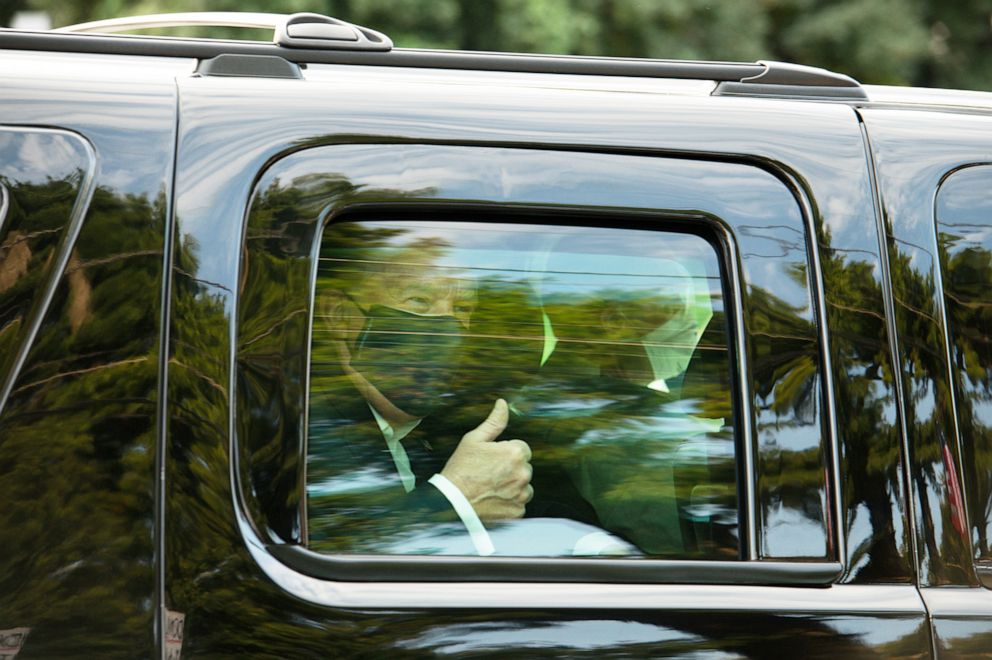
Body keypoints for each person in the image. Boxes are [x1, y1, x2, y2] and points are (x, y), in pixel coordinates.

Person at [306, 242, 534, 556]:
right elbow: (340, 555)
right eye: (419, 301)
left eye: (462, 310)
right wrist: (457, 499)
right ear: (341, 316)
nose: (448, 329)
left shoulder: (423, 433)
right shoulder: (304, 430)